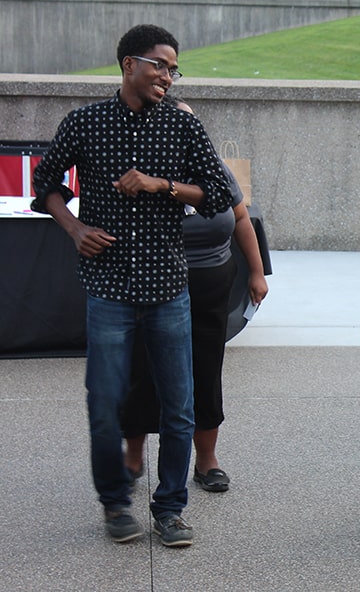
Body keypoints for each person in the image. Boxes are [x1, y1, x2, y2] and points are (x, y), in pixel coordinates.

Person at [31, 24, 232, 546]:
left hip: (168, 288)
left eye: (173, 67)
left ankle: (169, 510)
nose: (168, 75)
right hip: (108, 288)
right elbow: (45, 182)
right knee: (105, 400)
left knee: (179, 405)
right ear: (128, 64)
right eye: (159, 64)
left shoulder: (183, 126)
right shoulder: (86, 122)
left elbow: (215, 193)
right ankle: (116, 504)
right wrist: (74, 228)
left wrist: (159, 185)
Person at [121, 97, 269, 494]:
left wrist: (256, 272)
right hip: (154, 283)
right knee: (143, 370)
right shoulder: (142, 173)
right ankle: (132, 458)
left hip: (211, 282)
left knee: (206, 369)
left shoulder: (214, 170)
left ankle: (206, 461)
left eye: (193, 127)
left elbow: (241, 218)